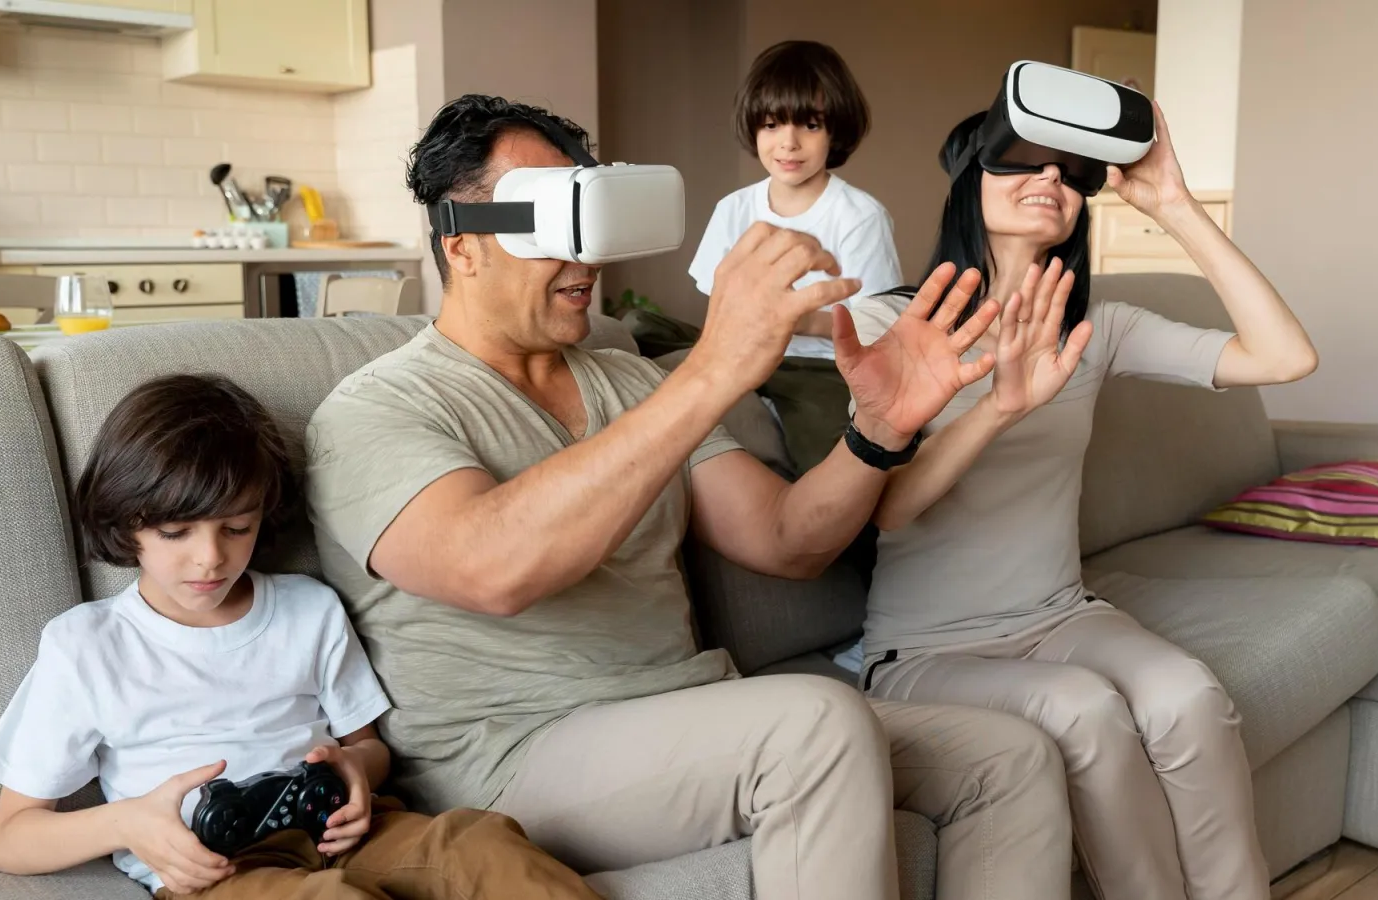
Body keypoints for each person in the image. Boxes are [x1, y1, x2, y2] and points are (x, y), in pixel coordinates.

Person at [305, 94, 1073, 900]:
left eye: (589, 218)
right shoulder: (376, 409)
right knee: (814, 721)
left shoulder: (631, 379)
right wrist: (713, 366)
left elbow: (789, 543)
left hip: (687, 715)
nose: (585, 258)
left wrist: (877, 434)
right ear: (462, 247)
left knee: (1009, 758)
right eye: (552, 226)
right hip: (510, 757)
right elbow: (495, 567)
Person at [846, 100, 1318, 900]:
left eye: (1070, 171)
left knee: (1188, 695)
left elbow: (1285, 356)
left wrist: (1174, 205)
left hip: (1063, 615)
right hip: (926, 647)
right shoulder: (895, 321)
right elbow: (889, 508)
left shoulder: (1097, 328)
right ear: (971, 180)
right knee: (1087, 709)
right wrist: (1000, 406)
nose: (1049, 177)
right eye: (1022, 160)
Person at [0, 374, 600, 900]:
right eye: (177, 534)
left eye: (236, 528)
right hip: (219, 870)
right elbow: (12, 837)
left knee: (480, 843)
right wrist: (128, 825)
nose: (210, 559)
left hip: (341, 826)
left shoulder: (309, 610)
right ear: (127, 525)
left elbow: (369, 748)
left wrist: (357, 771)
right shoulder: (86, 645)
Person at [688, 39, 902, 360]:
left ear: (834, 130)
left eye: (810, 125)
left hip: (827, 372)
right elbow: (718, 310)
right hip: (745, 362)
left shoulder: (861, 216)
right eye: (772, 125)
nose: (789, 143)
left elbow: (880, 325)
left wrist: (801, 320)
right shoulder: (732, 209)